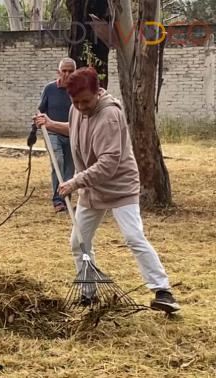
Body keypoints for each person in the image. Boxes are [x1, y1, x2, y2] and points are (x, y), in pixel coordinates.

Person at [34, 67, 180, 313]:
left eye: (85, 101)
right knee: (79, 242)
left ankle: (162, 290)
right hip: (92, 189)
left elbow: (109, 163)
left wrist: (75, 181)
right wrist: (51, 124)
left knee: (134, 238)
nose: (80, 106)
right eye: (75, 101)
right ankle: (88, 293)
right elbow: (78, 128)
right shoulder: (77, 108)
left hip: (119, 186)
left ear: (98, 92)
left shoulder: (110, 115)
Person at [37, 58, 76, 213]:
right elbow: (40, 110)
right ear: (58, 72)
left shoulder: (78, 90)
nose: (67, 74)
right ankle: (57, 200)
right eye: (64, 71)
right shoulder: (49, 89)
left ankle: (66, 199)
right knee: (57, 161)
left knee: (70, 168)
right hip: (53, 133)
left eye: (70, 71)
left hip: (73, 134)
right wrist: (35, 126)